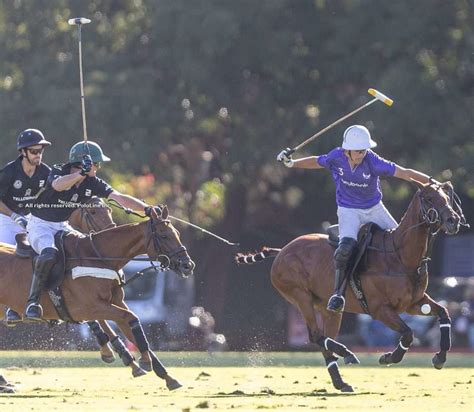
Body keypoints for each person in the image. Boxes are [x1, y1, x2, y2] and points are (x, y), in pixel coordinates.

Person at [277, 125, 432, 313]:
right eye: (359, 151)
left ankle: (411, 287)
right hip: (348, 210)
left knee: (400, 242)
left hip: (374, 208)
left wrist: (432, 183)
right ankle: (338, 294)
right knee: (345, 249)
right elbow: (317, 162)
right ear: (347, 150)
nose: (362, 154)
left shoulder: (372, 161)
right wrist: (292, 163)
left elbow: (405, 173)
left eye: (364, 150)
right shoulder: (336, 157)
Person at [24, 140, 159, 322]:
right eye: (97, 163)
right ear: (82, 163)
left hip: (62, 225)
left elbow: (118, 197)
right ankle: (33, 302)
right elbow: (57, 185)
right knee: (49, 254)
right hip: (40, 224)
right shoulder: (58, 171)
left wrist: (146, 209)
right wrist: (80, 173)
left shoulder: (93, 183)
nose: (98, 167)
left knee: (85, 249)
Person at [0, 129, 52, 324]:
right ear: (23, 152)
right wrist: (14, 215)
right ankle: (9, 308)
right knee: (6, 260)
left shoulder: (45, 172)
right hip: (6, 217)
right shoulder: (9, 172)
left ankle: (32, 303)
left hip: (30, 219)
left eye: (40, 151)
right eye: (33, 151)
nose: (38, 155)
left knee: (42, 256)